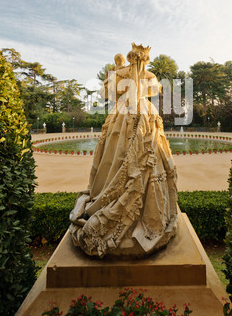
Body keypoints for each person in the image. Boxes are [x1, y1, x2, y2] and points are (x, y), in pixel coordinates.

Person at [69, 43, 178, 258]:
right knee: (129, 157)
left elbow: (110, 92)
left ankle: (119, 199)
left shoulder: (128, 74)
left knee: (131, 157)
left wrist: (120, 76)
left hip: (130, 113)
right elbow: (150, 90)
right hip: (136, 114)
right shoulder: (143, 75)